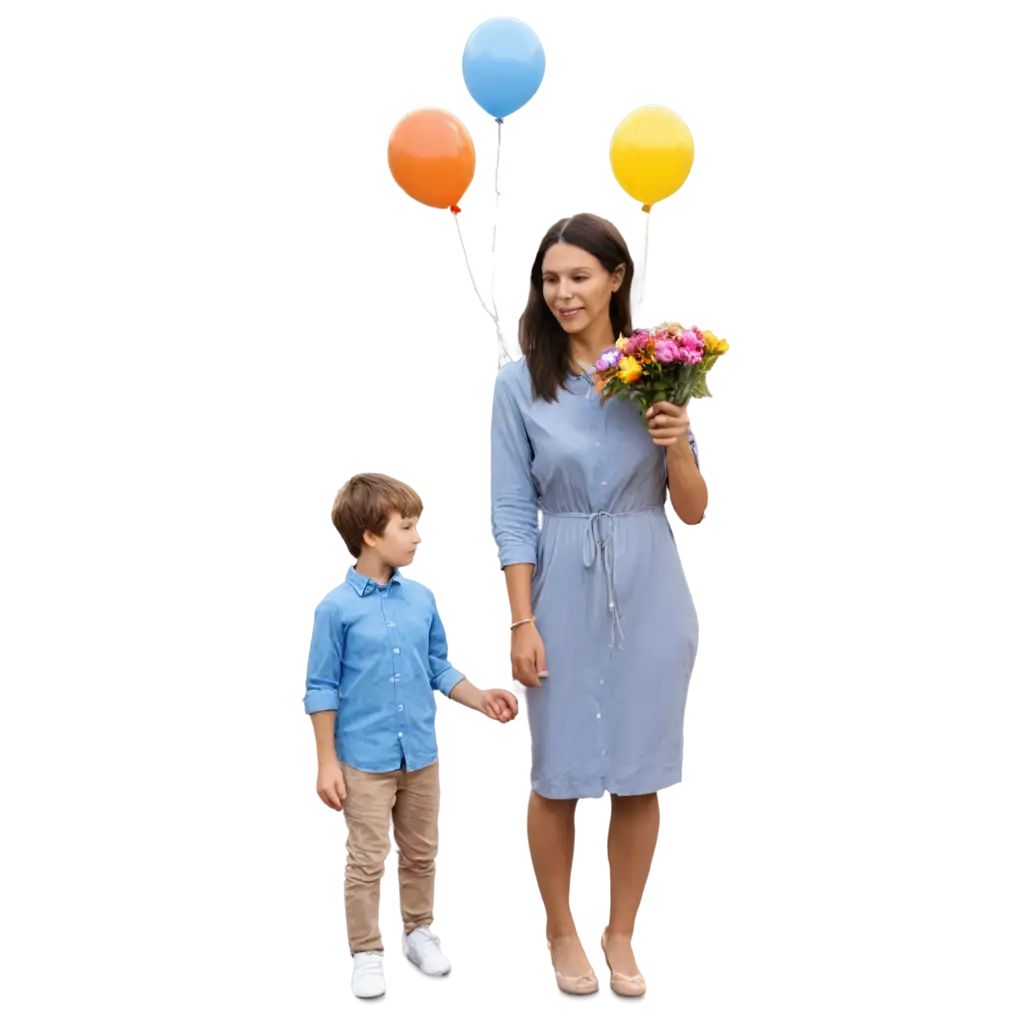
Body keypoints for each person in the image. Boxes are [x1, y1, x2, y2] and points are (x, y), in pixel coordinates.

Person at [487, 213, 708, 1000]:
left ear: (617, 278)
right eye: (550, 279)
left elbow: (694, 509)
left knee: (638, 773)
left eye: (579, 276)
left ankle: (621, 933)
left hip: (650, 580)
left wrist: (678, 443)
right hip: (559, 578)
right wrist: (520, 619)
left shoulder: (659, 373)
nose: (563, 293)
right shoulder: (517, 386)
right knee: (556, 774)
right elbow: (512, 512)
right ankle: (563, 932)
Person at [300, 472, 518, 1002]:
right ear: (371, 535)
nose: (418, 535)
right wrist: (325, 762)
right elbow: (321, 687)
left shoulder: (421, 599)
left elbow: (439, 667)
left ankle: (419, 932)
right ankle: (367, 951)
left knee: (421, 853)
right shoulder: (334, 608)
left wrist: (479, 695)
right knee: (366, 861)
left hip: (419, 752)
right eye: (407, 525)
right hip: (365, 759)